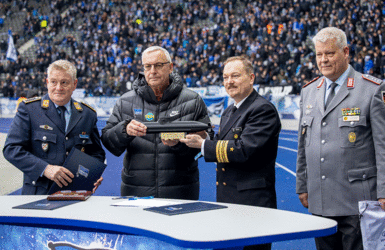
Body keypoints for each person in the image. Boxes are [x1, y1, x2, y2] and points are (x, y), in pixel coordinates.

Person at [296, 27, 385, 250]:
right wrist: (302, 185)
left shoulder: (371, 90)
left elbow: (383, 146)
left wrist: (384, 192)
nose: (323, 60)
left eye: (330, 53)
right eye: (319, 54)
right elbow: (302, 144)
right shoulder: (309, 91)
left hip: (357, 201)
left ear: (345, 52)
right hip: (320, 200)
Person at [180, 56, 281, 250]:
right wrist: (200, 141)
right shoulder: (229, 111)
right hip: (228, 202)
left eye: (235, 76)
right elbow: (222, 145)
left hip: (253, 206)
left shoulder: (262, 109)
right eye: (225, 77)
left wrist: (203, 145)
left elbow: (244, 149)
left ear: (251, 78)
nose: (229, 82)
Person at [101, 46, 212, 200]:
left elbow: (205, 146)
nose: (152, 71)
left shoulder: (193, 100)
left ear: (170, 67)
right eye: (148, 66)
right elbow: (108, 142)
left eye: (158, 65)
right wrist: (124, 130)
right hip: (135, 191)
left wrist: (178, 144)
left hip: (181, 191)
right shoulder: (125, 101)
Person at [3, 60, 106, 195]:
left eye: (64, 82)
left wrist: (93, 173)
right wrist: (45, 169)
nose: (58, 87)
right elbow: (11, 149)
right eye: (53, 82)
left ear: (74, 84)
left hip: (75, 194)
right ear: (47, 82)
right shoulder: (30, 110)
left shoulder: (88, 114)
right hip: (38, 194)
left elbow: (96, 153)